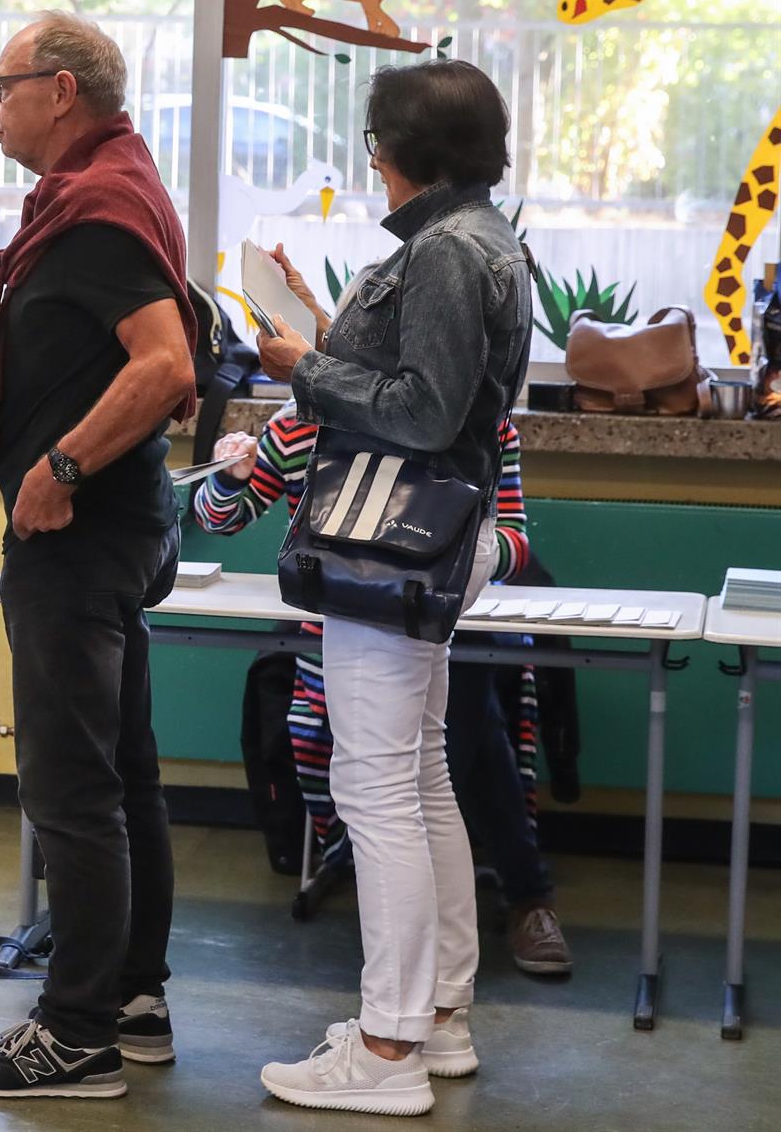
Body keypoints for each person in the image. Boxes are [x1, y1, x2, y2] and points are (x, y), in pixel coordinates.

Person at [0, 12, 197, 1100]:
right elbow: (98, 347)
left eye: (2, 85)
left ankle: (74, 1032)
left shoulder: (96, 210)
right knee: (121, 772)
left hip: (82, 533)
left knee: (70, 784)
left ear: (62, 91)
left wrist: (61, 468)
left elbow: (165, 365)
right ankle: (131, 997)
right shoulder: (105, 192)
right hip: (119, 528)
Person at [252, 58, 533, 1116]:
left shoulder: (446, 253)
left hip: (394, 541)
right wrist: (323, 327)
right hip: (429, 539)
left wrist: (301, 367)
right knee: (416, 777)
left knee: (376, 788)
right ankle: (438, 1014)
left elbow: (418, 411)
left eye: (372, 144)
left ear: (399, 150)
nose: (368, 163)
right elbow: (427, 379)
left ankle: (385, 1047)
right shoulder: (477, 238)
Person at [197, 410, 574, 977]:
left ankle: (505, 908)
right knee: (420, 772)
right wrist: (229, 474)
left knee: (456, 744)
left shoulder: (476, 424)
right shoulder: (303, 424)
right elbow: (218, 518)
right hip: (339, 625)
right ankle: (476, 919)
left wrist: (458, 550)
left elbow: (517, 544)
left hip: (439, 619)